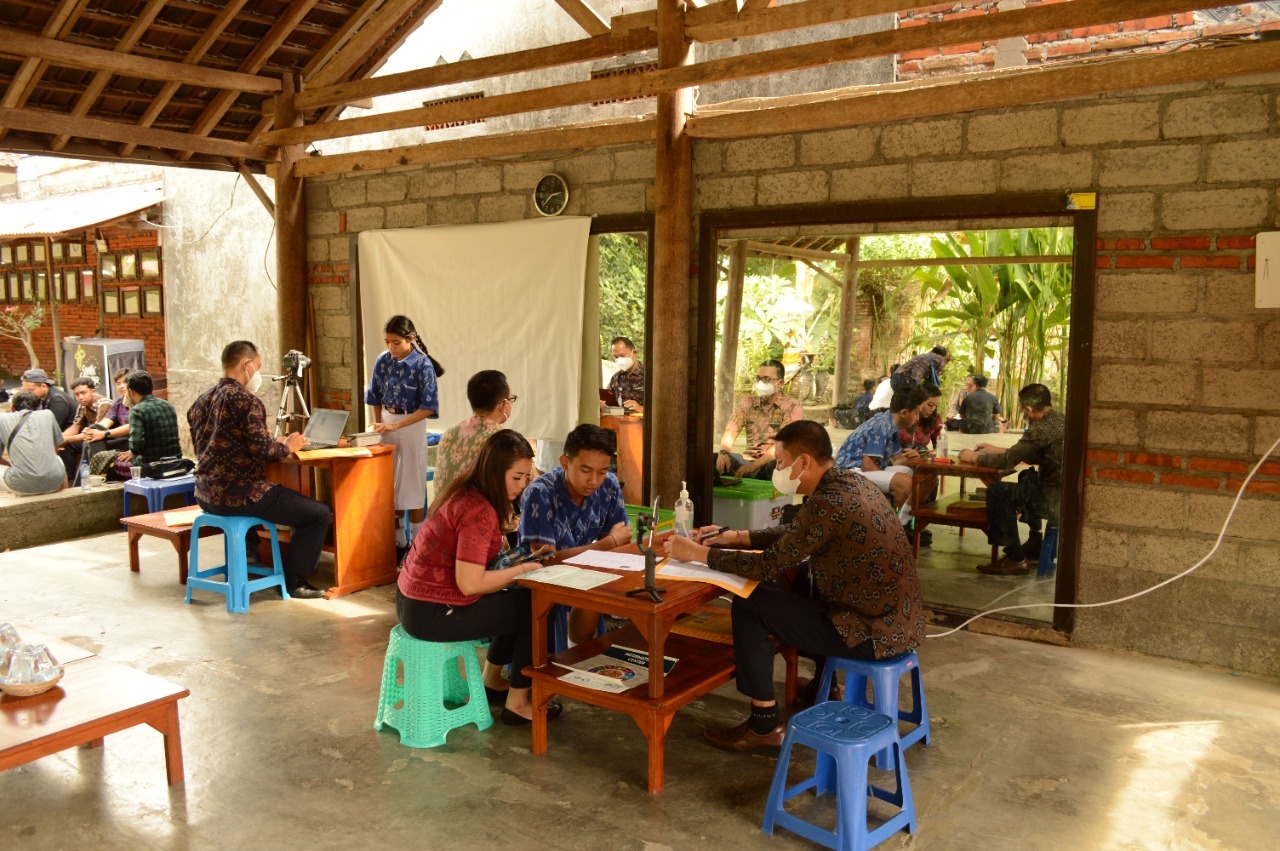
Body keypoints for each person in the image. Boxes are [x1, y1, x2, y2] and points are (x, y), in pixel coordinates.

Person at [667, 420, 926, 752]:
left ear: (804, 461)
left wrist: (700, 554)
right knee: (803, 581)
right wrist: (737, 536)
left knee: (751, 603)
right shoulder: (848, 483)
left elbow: (769, 564)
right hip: (897, 622)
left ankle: (763, 724)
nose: (778, 469)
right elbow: (799, 532)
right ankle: (824, 685)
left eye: (780, 462)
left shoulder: (830, 500)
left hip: (870, 632)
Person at [398, 430, 559, 726]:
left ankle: (492, 679)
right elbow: (470, 584)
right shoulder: (478, 510)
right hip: (431, 612)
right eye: (517, 477)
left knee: (514, 598)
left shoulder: (466, 491)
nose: (523, 485)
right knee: (535, 606)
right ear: (495, 471)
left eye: (527, 477)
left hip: (412, 601)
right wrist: (523, 570)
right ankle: (518, 703)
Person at [188, 340, 331, 599]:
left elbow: (214, 443)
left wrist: (268, 441)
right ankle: (294, 580)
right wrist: (289, 445)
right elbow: (267, 452)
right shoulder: (246, 400)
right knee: (318, 513)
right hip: (241, 494)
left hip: (206, 495)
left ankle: (251, 557)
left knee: (285, 502)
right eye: (259, 366)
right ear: (248, 364)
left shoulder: (201, 401)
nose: (259, 373)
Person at [519, 423, 631, 645]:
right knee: (593, 588)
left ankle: (587, 655)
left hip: (585, 571)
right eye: (585, 470)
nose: (594, 481)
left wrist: (610, 544)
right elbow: (546, 561)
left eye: (602, 471)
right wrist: (607, 544)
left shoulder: (608, 485)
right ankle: (576, 654)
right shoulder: (540, 493)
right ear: (564, 462)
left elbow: (621, 541)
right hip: (538, 582)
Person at [959, 383, 1065, 576]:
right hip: (1064, 496)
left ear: (1028, 409)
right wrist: (997, 449)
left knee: (998, 491)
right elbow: (1033, 455)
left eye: (1024, 411)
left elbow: (1007, 461)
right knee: (1027, 477)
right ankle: (1034, 541)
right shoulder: (1059, 420)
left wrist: (974, 457)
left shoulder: (1040, 429)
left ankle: (1015, 558)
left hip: (1053, 503)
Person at [366, 315, 443, 562]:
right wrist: (379, 423)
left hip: (411, 425)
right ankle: (399, 542)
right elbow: (375, 395)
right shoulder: (383, 360)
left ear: (410, 339)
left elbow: (428, 407)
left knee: (411, 484)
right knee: (389, 484)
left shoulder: (423, 365)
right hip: (386, 423)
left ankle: (418, 546)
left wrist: (397, 424)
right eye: (388, 341)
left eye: (396, 342)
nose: (391, 347)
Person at [834, 385, 928, 514]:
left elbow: (897, 461)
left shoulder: (891, 424)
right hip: (848, 472)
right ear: (904, 413)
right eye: (916, 413)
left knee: (908, 472)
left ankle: (903, 521)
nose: (918, 418)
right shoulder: (882, 426)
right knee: (904, 482)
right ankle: (900, 526)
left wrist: (914, 457)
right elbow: (867, 465)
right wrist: (891, 483)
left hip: (861, 469)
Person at [715, 359, 802, 480]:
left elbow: (783, 445)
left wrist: (755, 466)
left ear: (781, 383)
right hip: (748, 461)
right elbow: (731, 430)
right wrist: (723, 453)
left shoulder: (792, 406)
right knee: (715, 460)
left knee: (777, 467)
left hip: (773, 463)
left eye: (767, 379)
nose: (761, 383)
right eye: (758, 379)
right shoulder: (747, 402)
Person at [434, 370, 514, 495]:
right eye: (511, 399)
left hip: (440, 513)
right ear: (504, 404)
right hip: (476, 513)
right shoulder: (500, 439)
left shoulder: (450, 433)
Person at [0, 390, 68, 496]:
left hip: (19, 485)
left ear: (12, 408)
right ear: (37, 407)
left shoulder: (2, 418)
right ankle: (65, 496)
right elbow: (57, 446)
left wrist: (12, 466)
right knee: (58, 459)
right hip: (54, 482)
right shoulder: (48, 414)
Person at [116, 370, 181, 475]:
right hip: (176, 461)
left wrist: (134, 452)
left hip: (151, 466)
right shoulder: (168, 405)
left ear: (131, 392)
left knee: (108, 460)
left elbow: (136, 446)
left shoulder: (137, 410)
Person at [57, 377, 112, 477]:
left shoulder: (104, 404)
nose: (80, 397)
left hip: (107, 438)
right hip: (91, 436)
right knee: (65, 445)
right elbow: (75, 427)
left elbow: (95, 431)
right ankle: (69, 479)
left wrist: (67, 439)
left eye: (83, 393)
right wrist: (59, 439)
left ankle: (91, 478)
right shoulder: (83, 405)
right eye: (77, 394)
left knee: (83, 442)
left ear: (93, 391)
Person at [82, 369, 133, 452]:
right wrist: (90, 431)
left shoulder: (138, 401)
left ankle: (89, 464)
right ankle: (87, 464)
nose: (121, 386)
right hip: (120, 438)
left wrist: (104, 434)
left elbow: (133, 426)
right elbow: (104, 424)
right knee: (93, 432)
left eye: (125, 382)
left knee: (95, 440)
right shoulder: (118, 403)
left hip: (133, 439)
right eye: (118, 384)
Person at [604, 336, 645, 414]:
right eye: (616, 357)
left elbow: (661, 408)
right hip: (617, 423)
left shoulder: (649, 376)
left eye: (622, 356)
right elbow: (607, 399)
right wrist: (603, 405)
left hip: (640, 424)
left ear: (634, 353)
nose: (619, 360)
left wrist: (641, 409)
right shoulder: (616, 378)